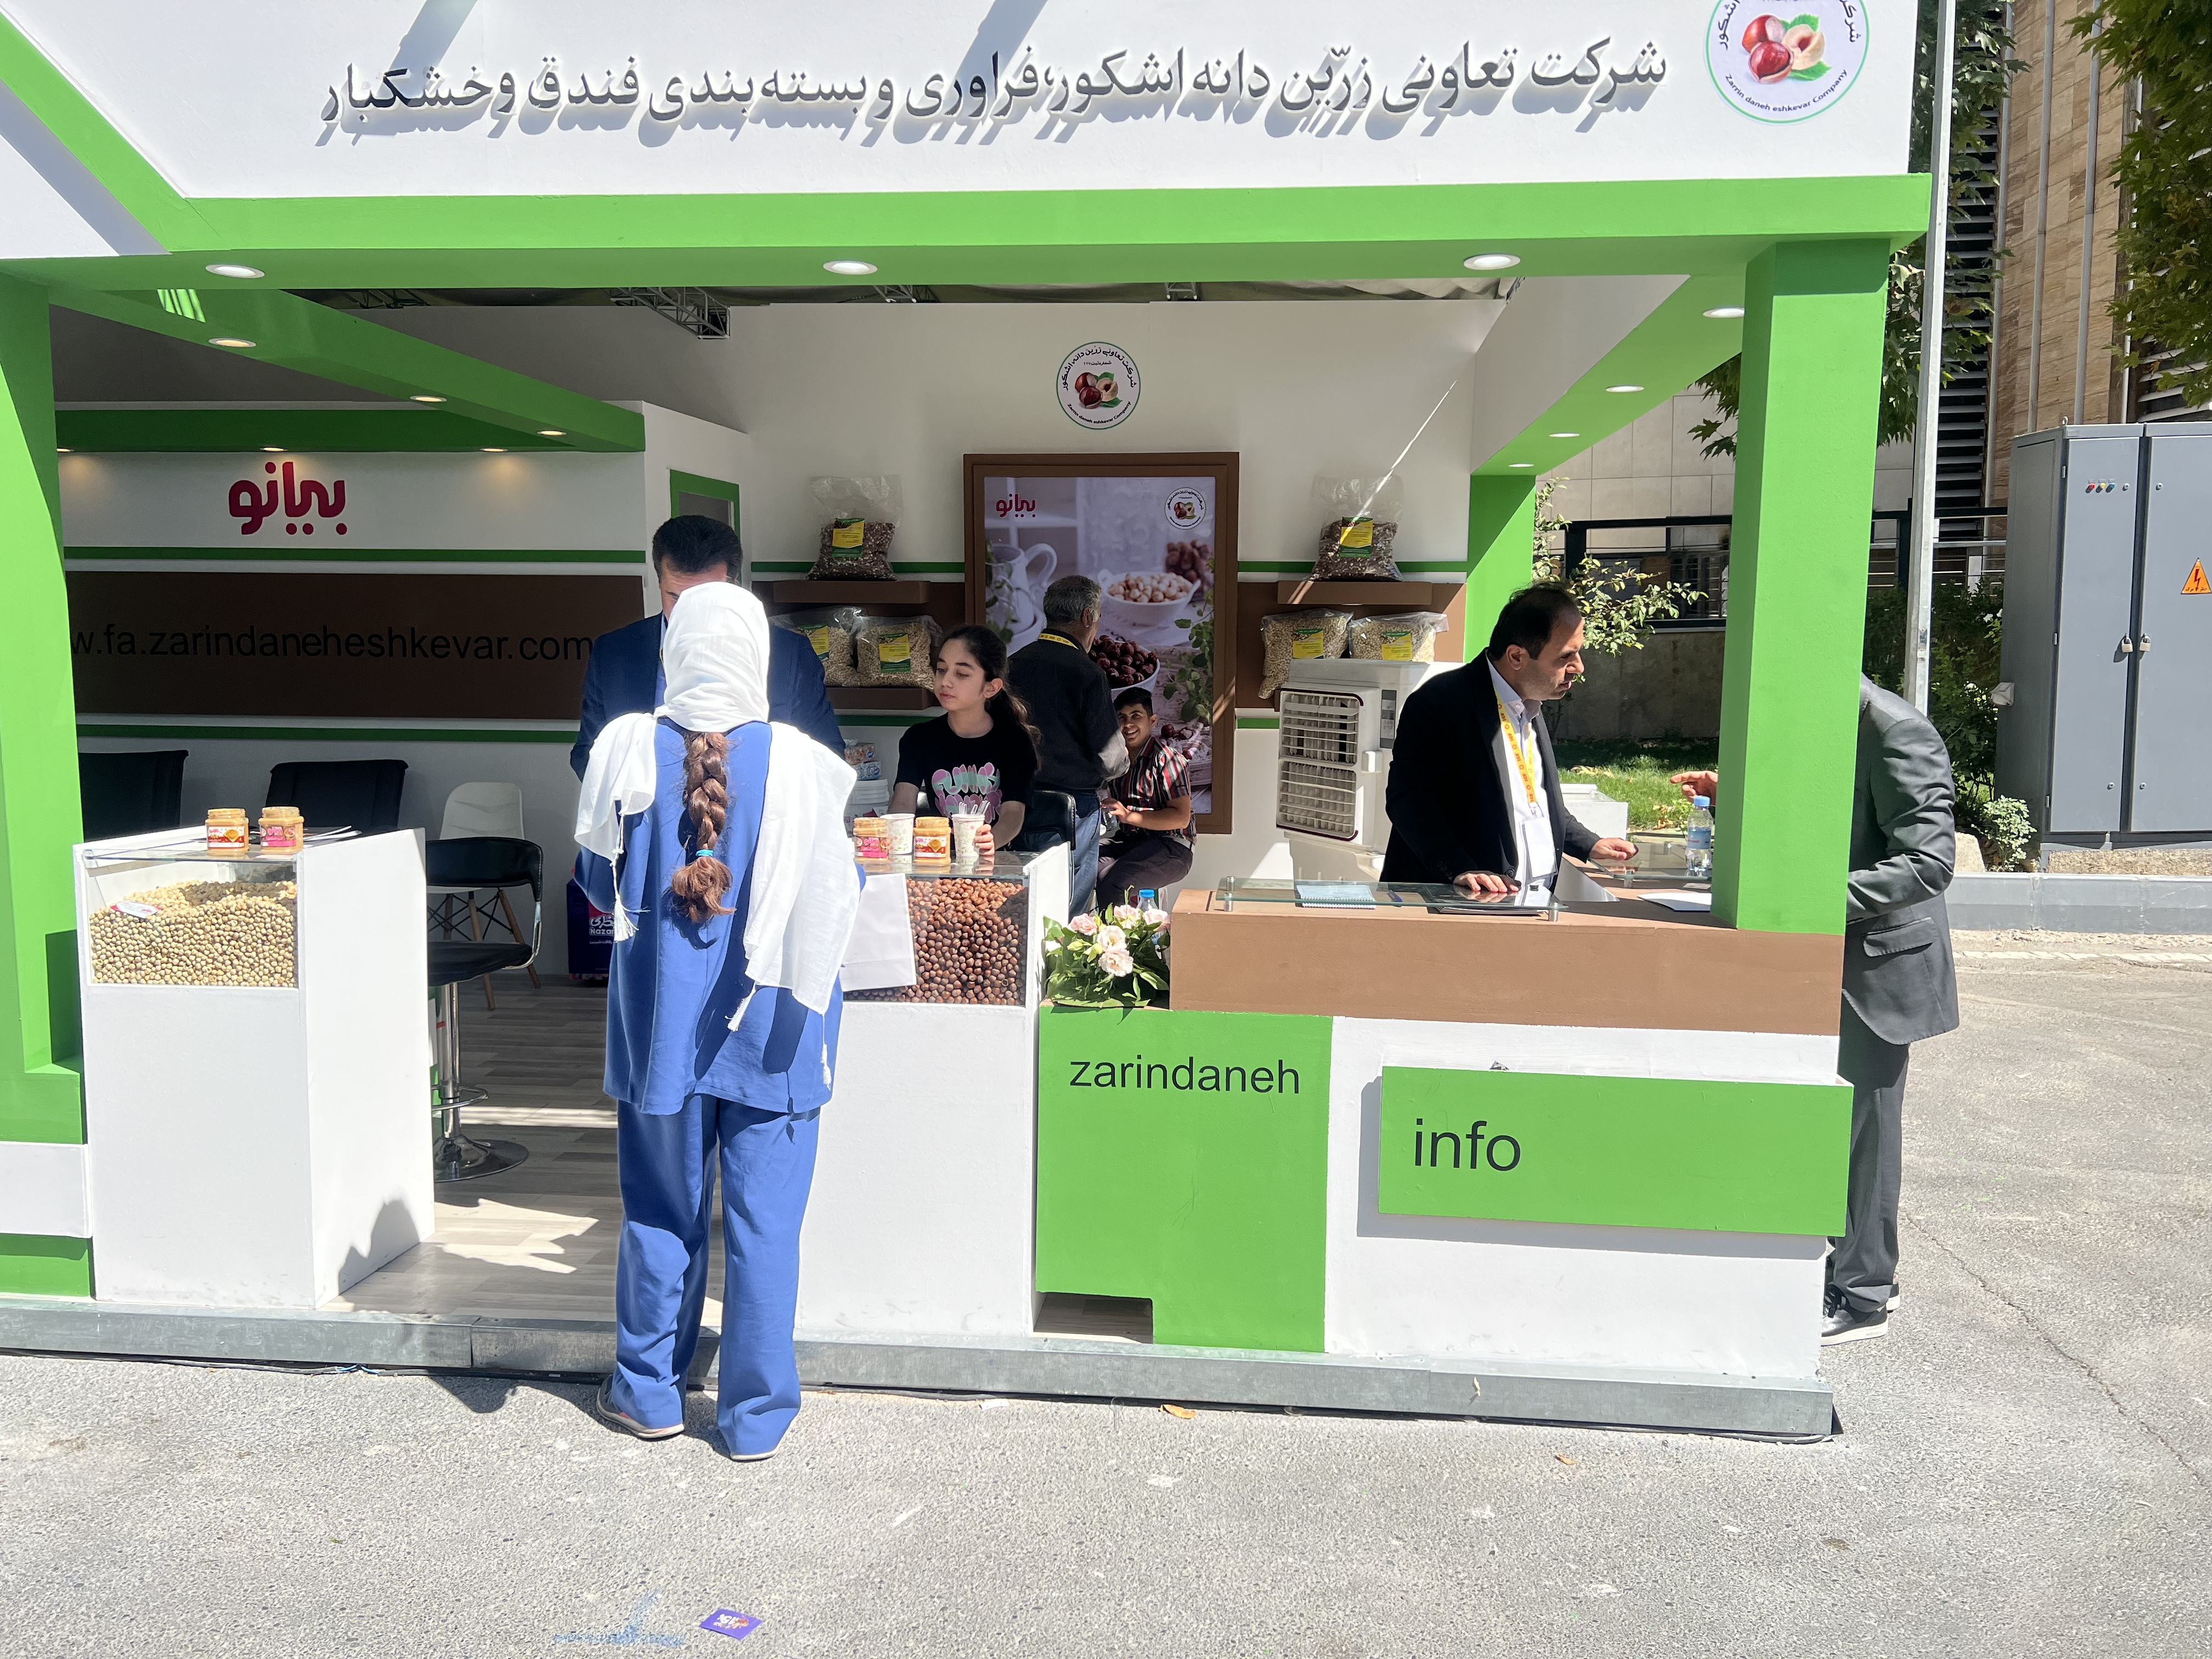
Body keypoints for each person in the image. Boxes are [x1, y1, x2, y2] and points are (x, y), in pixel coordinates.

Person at [573, 582, 861, 1459]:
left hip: (660, 1031)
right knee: (766, 1227)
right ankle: (754, 1420)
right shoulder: (806, 762)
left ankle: (649, 1395)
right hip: (776, 1035)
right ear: (758, 659)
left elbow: (593, 883)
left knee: (661, 1212)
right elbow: (839, 893)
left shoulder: (624, 746)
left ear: (674, 653)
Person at [1671, 675, 1959, 1345]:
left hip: (1878, 968)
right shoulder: (1824, 716)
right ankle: (1853, 1266)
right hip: (1823, 960)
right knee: (1832, 1127)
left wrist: (1809, 901)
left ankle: (1864, 1295)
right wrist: (1731, 798)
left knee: (1866, 1133)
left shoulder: (1895, 730)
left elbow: (1928, 862)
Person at [1381, 585, 1636, 895]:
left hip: (1529, 902)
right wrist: (1459, 867)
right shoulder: (1440, 702)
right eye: (1566, 656)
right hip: (1460, 902)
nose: (1579, 668)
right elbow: (1409, 802)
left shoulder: (1529, 702)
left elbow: (1533, 801)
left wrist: (1587, 842)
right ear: (1517, 656)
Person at [571, 515, 844, 780]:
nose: (689, 615)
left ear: (733, 586)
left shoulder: (789, 653)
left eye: (705, 599)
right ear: (659, 582)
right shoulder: (614, 652)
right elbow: (587, 755)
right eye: (676, 598)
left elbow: (827, 758)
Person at [1008, 574, 1122, 912]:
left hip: (1015, 804)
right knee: (1068, 910)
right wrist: (1124, 762)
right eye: (1098, 618)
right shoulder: (1088, 673)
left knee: (1021, 904)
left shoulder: (1013, 665)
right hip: (1072, 811)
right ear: (1088, 616)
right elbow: (1111, 759)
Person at [890, 624, 1038, 857]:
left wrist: (990, 842)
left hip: (1002, 861)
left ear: (991, 688)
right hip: (942, 860)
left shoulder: (1015, 740)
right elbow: (903, 803)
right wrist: (892, 835)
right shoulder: (918, 738)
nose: (946, 681)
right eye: (942, 670)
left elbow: (1013, 813)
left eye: (961, 674)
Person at [1097, 686, 1194, 907]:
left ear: (1153, 721)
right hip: (1131, 843)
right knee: (1083, 861)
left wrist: (1128, 815)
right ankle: (1086, 925)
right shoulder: (1116, 764)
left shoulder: (1168, 759)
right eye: (1122, 717)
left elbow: (1181, 818)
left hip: (1172, 847)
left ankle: (1115, 931)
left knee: (1116, 882)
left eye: (1136, 716)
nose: (1128, 724)